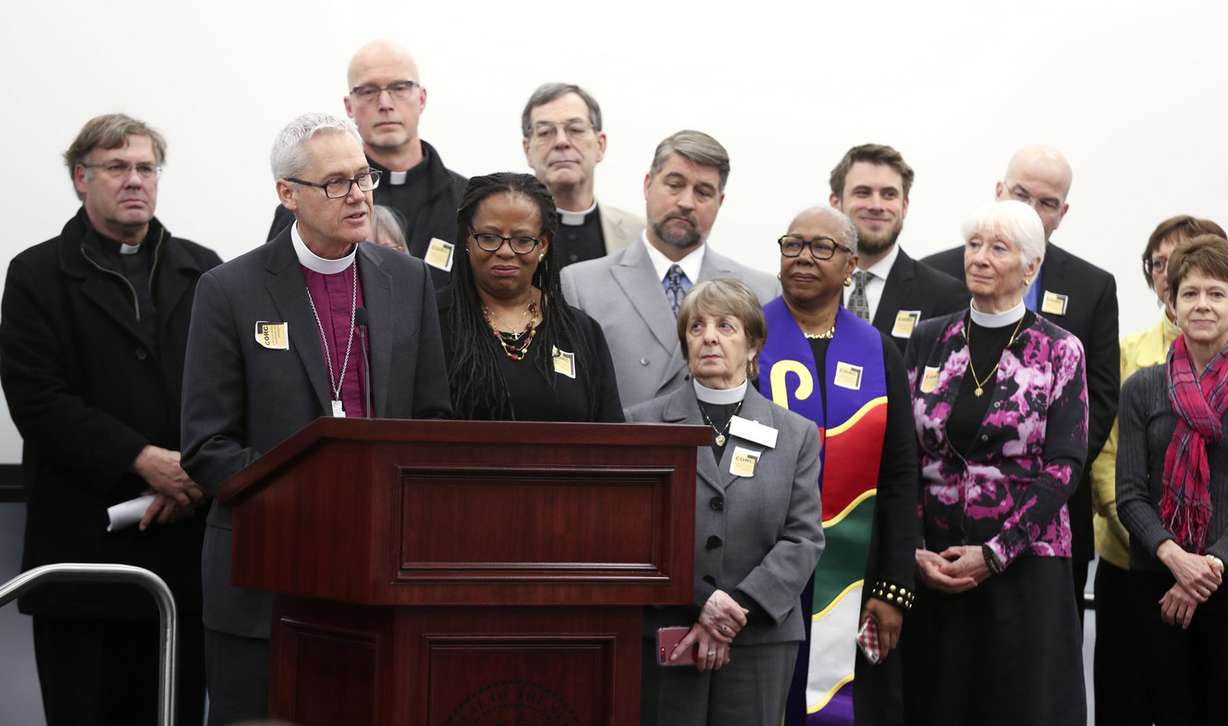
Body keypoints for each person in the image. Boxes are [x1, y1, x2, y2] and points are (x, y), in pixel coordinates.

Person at [180, 112, 451, 725]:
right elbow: (207, 444)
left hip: (380, 572)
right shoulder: (230, 289)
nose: (357, 195)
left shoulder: (407, 282)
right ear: (288, 194)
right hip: (263, 572)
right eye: (336, 183)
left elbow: (433, 418)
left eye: (363, 178)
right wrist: (316, 497)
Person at [0, 113, 220, 726]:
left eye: (146, 167)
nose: (134, 181)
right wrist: (144, 459)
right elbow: (39, 401)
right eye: (116, 167)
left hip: (182, 547)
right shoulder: (36, 275)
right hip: (82, 551)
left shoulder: (203, 270)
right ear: (80, 178)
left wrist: (193, 472)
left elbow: (228, 391)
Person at [903, 200, 1088, 726]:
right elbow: (908, 456)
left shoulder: (1059, 350)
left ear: (1031, 266)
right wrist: (917, 550)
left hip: (1025, 568)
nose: (979, 258)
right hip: (938, 569)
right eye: (974, 244)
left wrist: (995, 552)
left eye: (998, 248)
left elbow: (1065, 466)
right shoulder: (930, 338)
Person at [922, 145, 1118, 617]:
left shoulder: (1093, 287)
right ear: (998, 191)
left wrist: (1031, 483)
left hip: (1042, 530)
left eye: (1046, 202)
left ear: (1062, 213)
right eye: (1020, 194)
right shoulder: (936, 274)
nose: (1030, 209)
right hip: (938, 542)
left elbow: (1102, 398)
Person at [626, 279, 824, 726]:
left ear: (753, 346)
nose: (709, 336)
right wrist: (702, 599)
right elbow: (634, 534)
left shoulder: (796, 435)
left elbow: (804, 538)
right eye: (697, 327)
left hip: (760, 638)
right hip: (668, 630)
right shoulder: (643, 425)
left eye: (726, 326)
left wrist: (734, 611)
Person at [759, 207, 920, 726]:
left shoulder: (878, 351)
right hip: (761, 567)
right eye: (793, 245)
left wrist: (893, 588)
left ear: (851, 264)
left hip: (856, 572)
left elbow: (899, 475)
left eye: (822, 247)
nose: (804, 257)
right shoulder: (749, 336)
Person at [1088, 215, 1224, 726]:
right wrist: (1169, 555)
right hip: (1141, 572)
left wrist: (1203, 567)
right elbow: (1118, 476)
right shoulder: (1136, 372)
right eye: (1189, 292)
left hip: (1217, 575)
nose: (1202, 303)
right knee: (1139, 703)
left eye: (1216, 291)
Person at [561, 130, 779, 407]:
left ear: (720, 202)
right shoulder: (583, 286)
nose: (686, 203)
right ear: (647, 185)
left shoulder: (761, 291)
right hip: (624, 447)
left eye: (703, 192)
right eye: (675, 185)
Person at [267, 40, 465, 289]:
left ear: (422, 98)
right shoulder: (308, 201)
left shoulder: (466, 203)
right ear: (349, 106)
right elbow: (275, 291)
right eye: (368, 91)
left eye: (400, 87)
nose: (385, 103)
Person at [439, 172, 623, 421]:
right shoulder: (433, 322)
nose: (505, 251)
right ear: (467, 240)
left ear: (543, 245)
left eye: (523, 240)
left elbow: (610, 437)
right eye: (489, 238)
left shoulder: (581, 332)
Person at [828, 144, 966, 352]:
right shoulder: (813, 286)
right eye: (863, 193)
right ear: (836, 202)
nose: (876, 205)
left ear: (904, 206)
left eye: (889, 194)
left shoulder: (945, 298)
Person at [521, 82, 643, 266]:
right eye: (545, 132)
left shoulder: (639, 236)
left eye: (575, 129)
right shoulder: (499, 234)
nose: (561, 142)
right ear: (527, 150)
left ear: (600, 145)